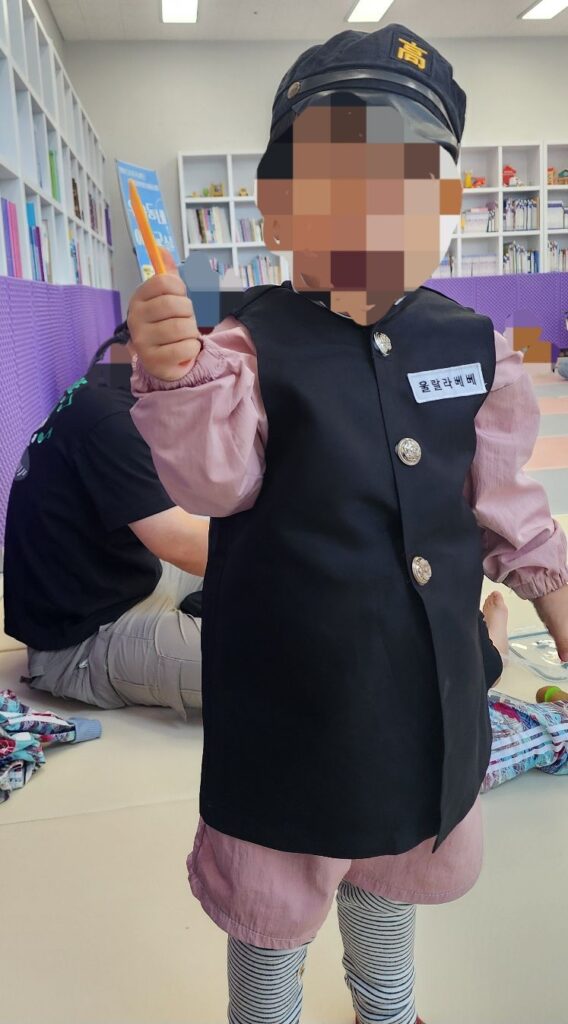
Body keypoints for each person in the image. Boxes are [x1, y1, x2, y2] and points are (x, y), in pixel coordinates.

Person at [126, 24, 568, 1024]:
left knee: (391, 871)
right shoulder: (245, 347)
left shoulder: (474, 346)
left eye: (408, 186)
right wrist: (174, 372)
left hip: (421, 693)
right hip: (290, 697)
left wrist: (555, 605)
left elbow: (510, 508)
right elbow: (215, 480)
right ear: (278, 211)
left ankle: (388, 1009)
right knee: (272, 904)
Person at [3, 331, 207, 719]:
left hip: (127, 583)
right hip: (79, 645)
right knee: (290, 658)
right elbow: (181, 544)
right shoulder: (110, 417)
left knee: (241, 550)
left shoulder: (102, 387)